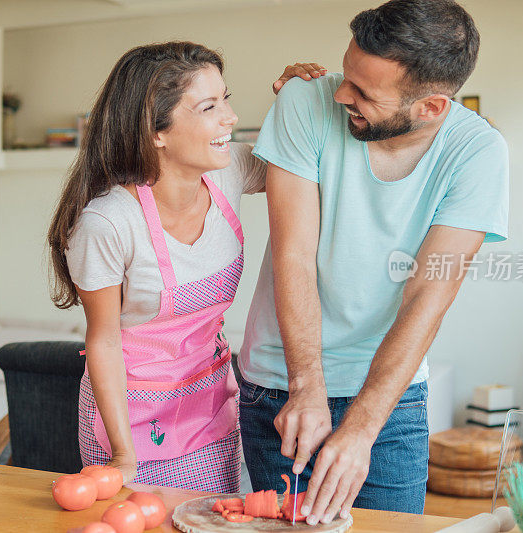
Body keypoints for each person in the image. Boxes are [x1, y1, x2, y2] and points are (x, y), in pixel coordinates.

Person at [239, 0, 509, 523]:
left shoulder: (479, 153)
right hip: (280, 381)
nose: (341, 94)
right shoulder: (303, 101)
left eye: (364, 92)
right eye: (347, 73)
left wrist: (363, 427)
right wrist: (306, 386)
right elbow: (294, 255)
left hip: (388, 395)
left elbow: (429, 293)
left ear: (431, 107)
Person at [47, 41, 326, 493]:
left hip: (208, 403)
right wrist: (122, 455)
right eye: (209, 106)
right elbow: (104, 342)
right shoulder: (107, 222)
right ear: (155, 131)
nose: (230, 117)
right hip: (129, 416)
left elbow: (304, 155)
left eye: (226, 99)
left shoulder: (227, 171)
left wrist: (295, 99)